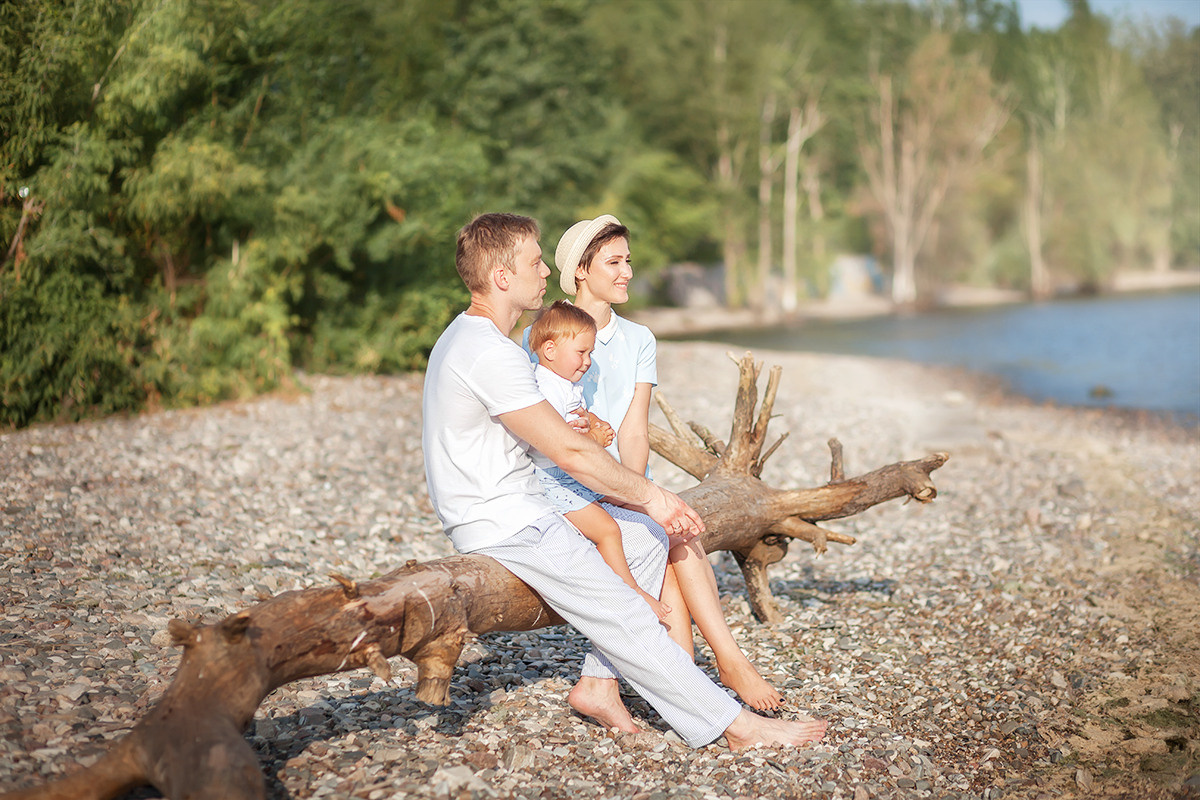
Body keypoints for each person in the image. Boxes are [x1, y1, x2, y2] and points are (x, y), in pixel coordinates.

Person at [421, 212, 826, 749]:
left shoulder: (482, 340)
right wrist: (654, 496)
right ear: (501, 276)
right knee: (626, 607)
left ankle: (596, 683)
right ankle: (737, 727)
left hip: (516, 508)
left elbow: (570, 438)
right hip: (504, 521)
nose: (545, 271)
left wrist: (643, 507)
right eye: (535, 261)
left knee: (644, 539)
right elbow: (568, 450)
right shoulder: (489, 352)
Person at [523, 214, 785, 711]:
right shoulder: (543, 336)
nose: (626, 272)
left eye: (628, 260)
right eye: (614, 262)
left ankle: (695, 673)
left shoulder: (639, 339)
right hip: (564, 484)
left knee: (674, 531)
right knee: (667, 536)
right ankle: (712, 669)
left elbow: (634, 429)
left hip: (621, 480)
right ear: (581, 269)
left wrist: (637, 490)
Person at [527, 300, 670, 621]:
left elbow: (577, 412)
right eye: (581, 353)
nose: (588, 361)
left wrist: (594, 422)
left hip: (572, 476)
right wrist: (593, 439)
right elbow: (554, 440)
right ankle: (630, 589)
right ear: (549, 350)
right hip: (555, 481)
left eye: (590, 353)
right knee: (608, 530)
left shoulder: (563, 383)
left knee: (627, 505)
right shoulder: (544, 387)